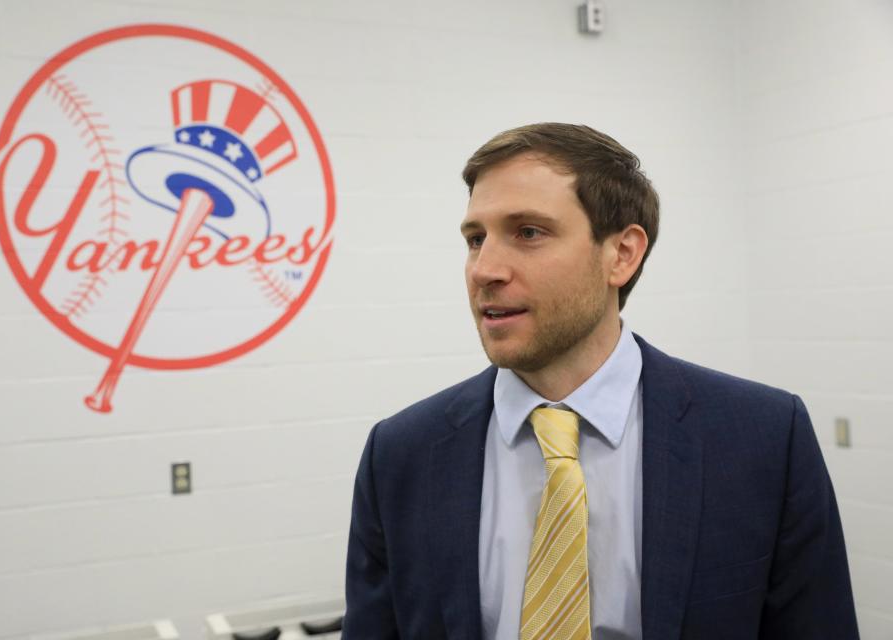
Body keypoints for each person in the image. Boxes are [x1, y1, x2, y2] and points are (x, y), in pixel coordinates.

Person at [342, 123, 858, 639]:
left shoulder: (762, 438)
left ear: (622, 254)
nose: (485, 269)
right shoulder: (401, 454)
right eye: (476, 239)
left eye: (528, 232)